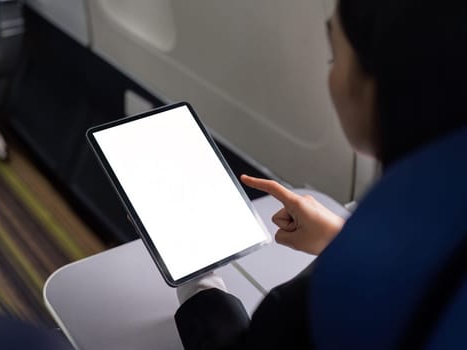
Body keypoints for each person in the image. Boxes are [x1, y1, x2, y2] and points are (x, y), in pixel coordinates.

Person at [174, 0, 467, 349]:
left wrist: (196, 281)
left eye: (334, 58)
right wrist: (336, 236)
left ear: (381, 83)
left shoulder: (312, 304)